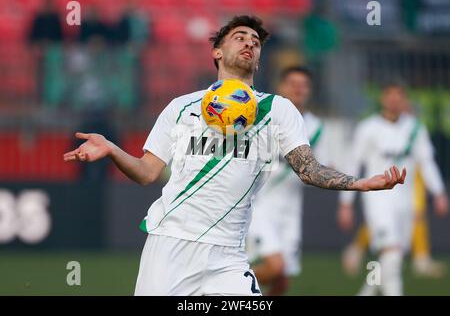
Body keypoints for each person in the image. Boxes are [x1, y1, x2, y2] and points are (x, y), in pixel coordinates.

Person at [64, 15, 406, 296]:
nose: (249, 44)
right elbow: (146, 172)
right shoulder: (181, 107)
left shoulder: (277, 110)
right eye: (240, 37)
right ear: (216, 52)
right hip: (170, 245)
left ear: (258, 60)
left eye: (256, 43)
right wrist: (111, 149)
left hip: (228, 254)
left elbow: (307, 168)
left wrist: (360, 183)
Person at [337, 83, 448, 296]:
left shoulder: (415, 128)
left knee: (391, 258)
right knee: (392, 252)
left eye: (399, 96)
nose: (395, 100)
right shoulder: (368, 128)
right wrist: (345, 203)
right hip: (378, 201)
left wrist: (439, 192)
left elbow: (426, 162)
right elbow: (353, 164)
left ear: (404, 99)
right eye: (390, 95)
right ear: (383, 99)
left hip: (405, 202)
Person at [246, 66, 329, 295]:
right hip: (259, 205)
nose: (298, 89)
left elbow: (322, 166)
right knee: (275, 267)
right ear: (281, 87)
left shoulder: (316, 127)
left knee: (282, 280)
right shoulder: (264, 117)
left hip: (290, 210)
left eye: (304, 85)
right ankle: (223, 286)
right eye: (293, 84)